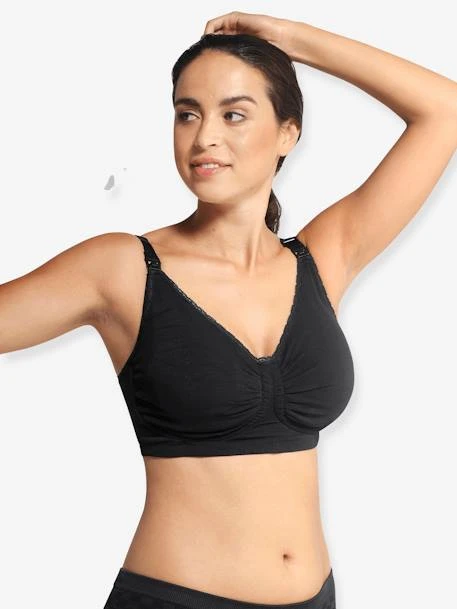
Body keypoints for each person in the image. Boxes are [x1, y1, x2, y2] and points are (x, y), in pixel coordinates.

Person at [1, 10, 457, 609]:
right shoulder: (123, 268)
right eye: (187, 113)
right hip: (176, 598)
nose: (204, 137)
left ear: (288, 134)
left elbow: (445, 109)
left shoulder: (323, 259)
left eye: (233, 114)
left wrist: (290, 40)